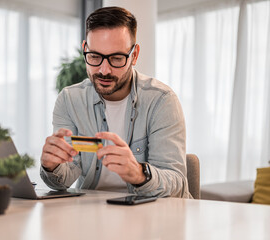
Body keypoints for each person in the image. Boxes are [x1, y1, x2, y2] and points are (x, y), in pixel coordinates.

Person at [40, 6, 191, 198]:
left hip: (154, 214)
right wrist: (51, 166)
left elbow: (177, 183)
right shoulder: (70, 100)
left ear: (134, 55)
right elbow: (64, 178)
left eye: (116, 58)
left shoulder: (161, 101)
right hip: (94, 213)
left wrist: (139, 174)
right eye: (94, 56)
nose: (104, 70)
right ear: (85, 49)